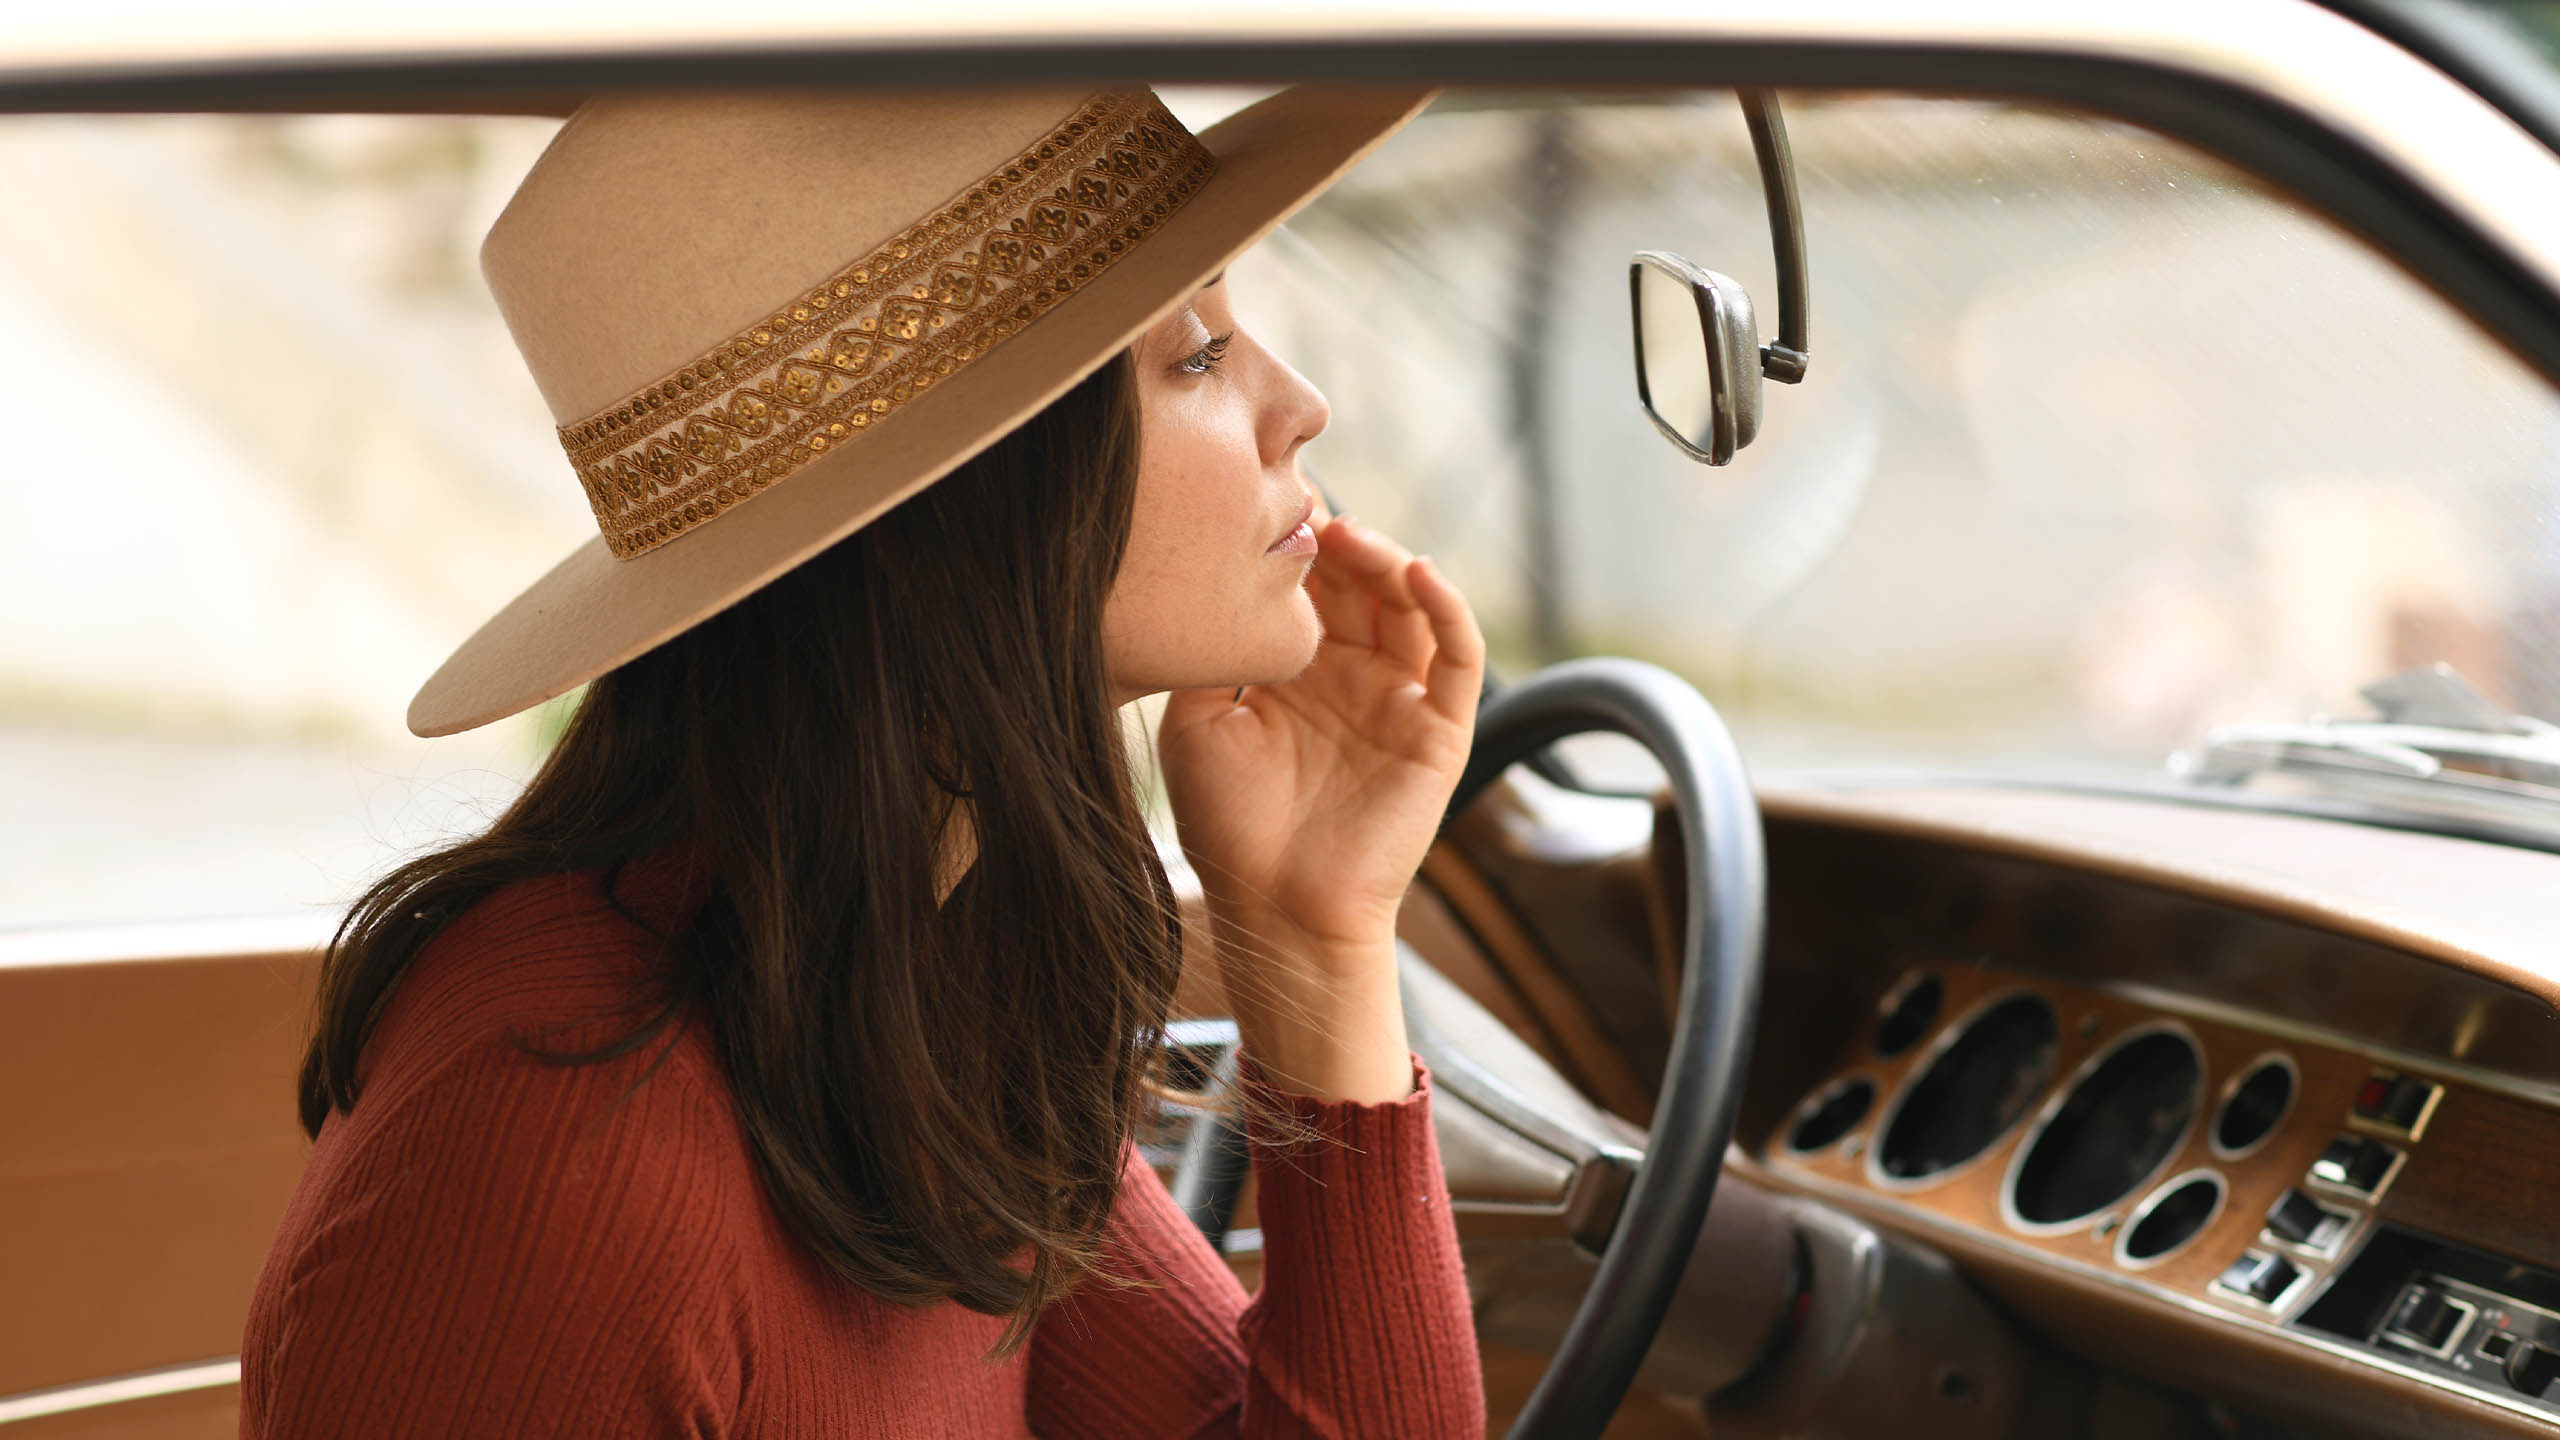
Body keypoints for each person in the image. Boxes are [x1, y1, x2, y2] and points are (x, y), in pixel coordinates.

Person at [238, 82, 1489, 1437]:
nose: (1297, 406)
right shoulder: (561, 1146)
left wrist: (1317, 933)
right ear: (951, 505)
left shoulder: (907, 971)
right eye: (1194, 356)